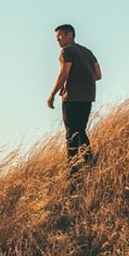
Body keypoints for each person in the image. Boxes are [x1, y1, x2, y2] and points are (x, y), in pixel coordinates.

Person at [47, 24, 102, 171]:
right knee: (80, 130)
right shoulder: (87, 52)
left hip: (71, 97)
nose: (58, 40)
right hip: (88, 96)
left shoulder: (66, 51)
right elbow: (98, 75)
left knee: (71, 133)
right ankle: (88, 162)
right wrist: (83, 79)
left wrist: (52, 95)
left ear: (69, 34)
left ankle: (73, 169)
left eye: (60, 36)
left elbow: (64, 74)